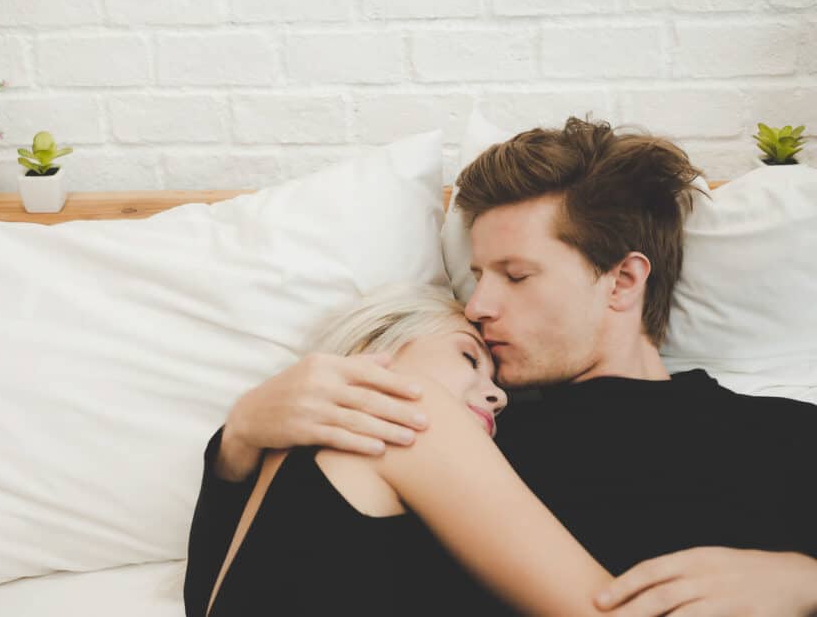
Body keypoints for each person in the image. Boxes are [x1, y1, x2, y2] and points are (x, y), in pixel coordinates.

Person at [187, 117, 817, 616]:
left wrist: (804, 581)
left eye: (516, 276)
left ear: (622, 280)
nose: (479, 304)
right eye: (480, 275)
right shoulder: (468, 416)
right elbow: (231, 594)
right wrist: (240, 440)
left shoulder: (780, 434)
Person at [188, 283, 616, 617]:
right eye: (469, 358)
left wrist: (239, 437)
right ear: (375, 348)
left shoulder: (287, 468)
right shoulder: (409, 417)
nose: (498, 398)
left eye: (497, 384)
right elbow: (603, 608)